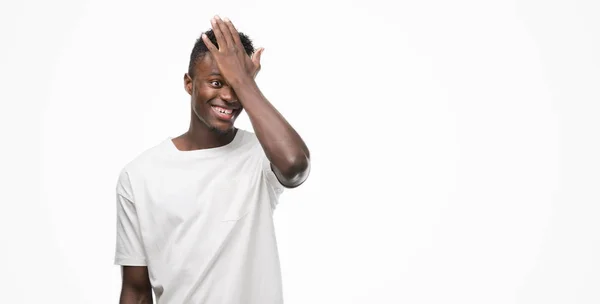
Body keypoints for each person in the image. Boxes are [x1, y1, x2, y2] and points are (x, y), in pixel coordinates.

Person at [114, 16, 310, 304]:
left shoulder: (260, 155)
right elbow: (136, 291)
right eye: (217, 82)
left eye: (237, 85)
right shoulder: (139, 175)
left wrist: (245, 82)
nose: (229, 96)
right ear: (189, 84)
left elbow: (295, 165)